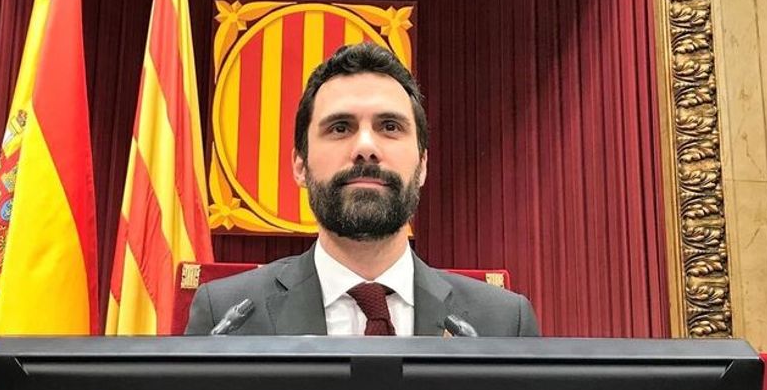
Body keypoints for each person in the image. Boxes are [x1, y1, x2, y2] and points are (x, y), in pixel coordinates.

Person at [185, 42, 539, 336]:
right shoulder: (225, 318)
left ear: (422, 165)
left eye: (390, 126)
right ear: (300, 165)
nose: (365, 147)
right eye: (340, 127)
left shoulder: (504, 323)